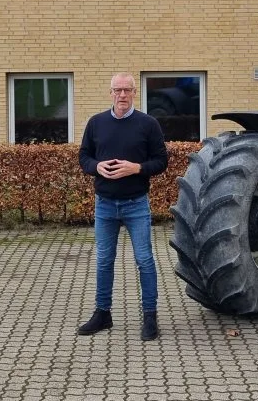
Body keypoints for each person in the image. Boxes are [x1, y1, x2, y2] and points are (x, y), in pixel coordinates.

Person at [77, 72, 169, 341]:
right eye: (117, 90)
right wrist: (96, 167)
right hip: (104, 205)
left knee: (145, 261)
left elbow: (161, 161)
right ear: (110, 93)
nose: (122, 95)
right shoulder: (96, 123)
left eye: (127, 90)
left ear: (134, 93)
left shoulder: (148, 124)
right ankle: (103, 314)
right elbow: (84, 156)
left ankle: (150, 317)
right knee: (104, 261)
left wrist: (137, 168)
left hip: (136, 204)